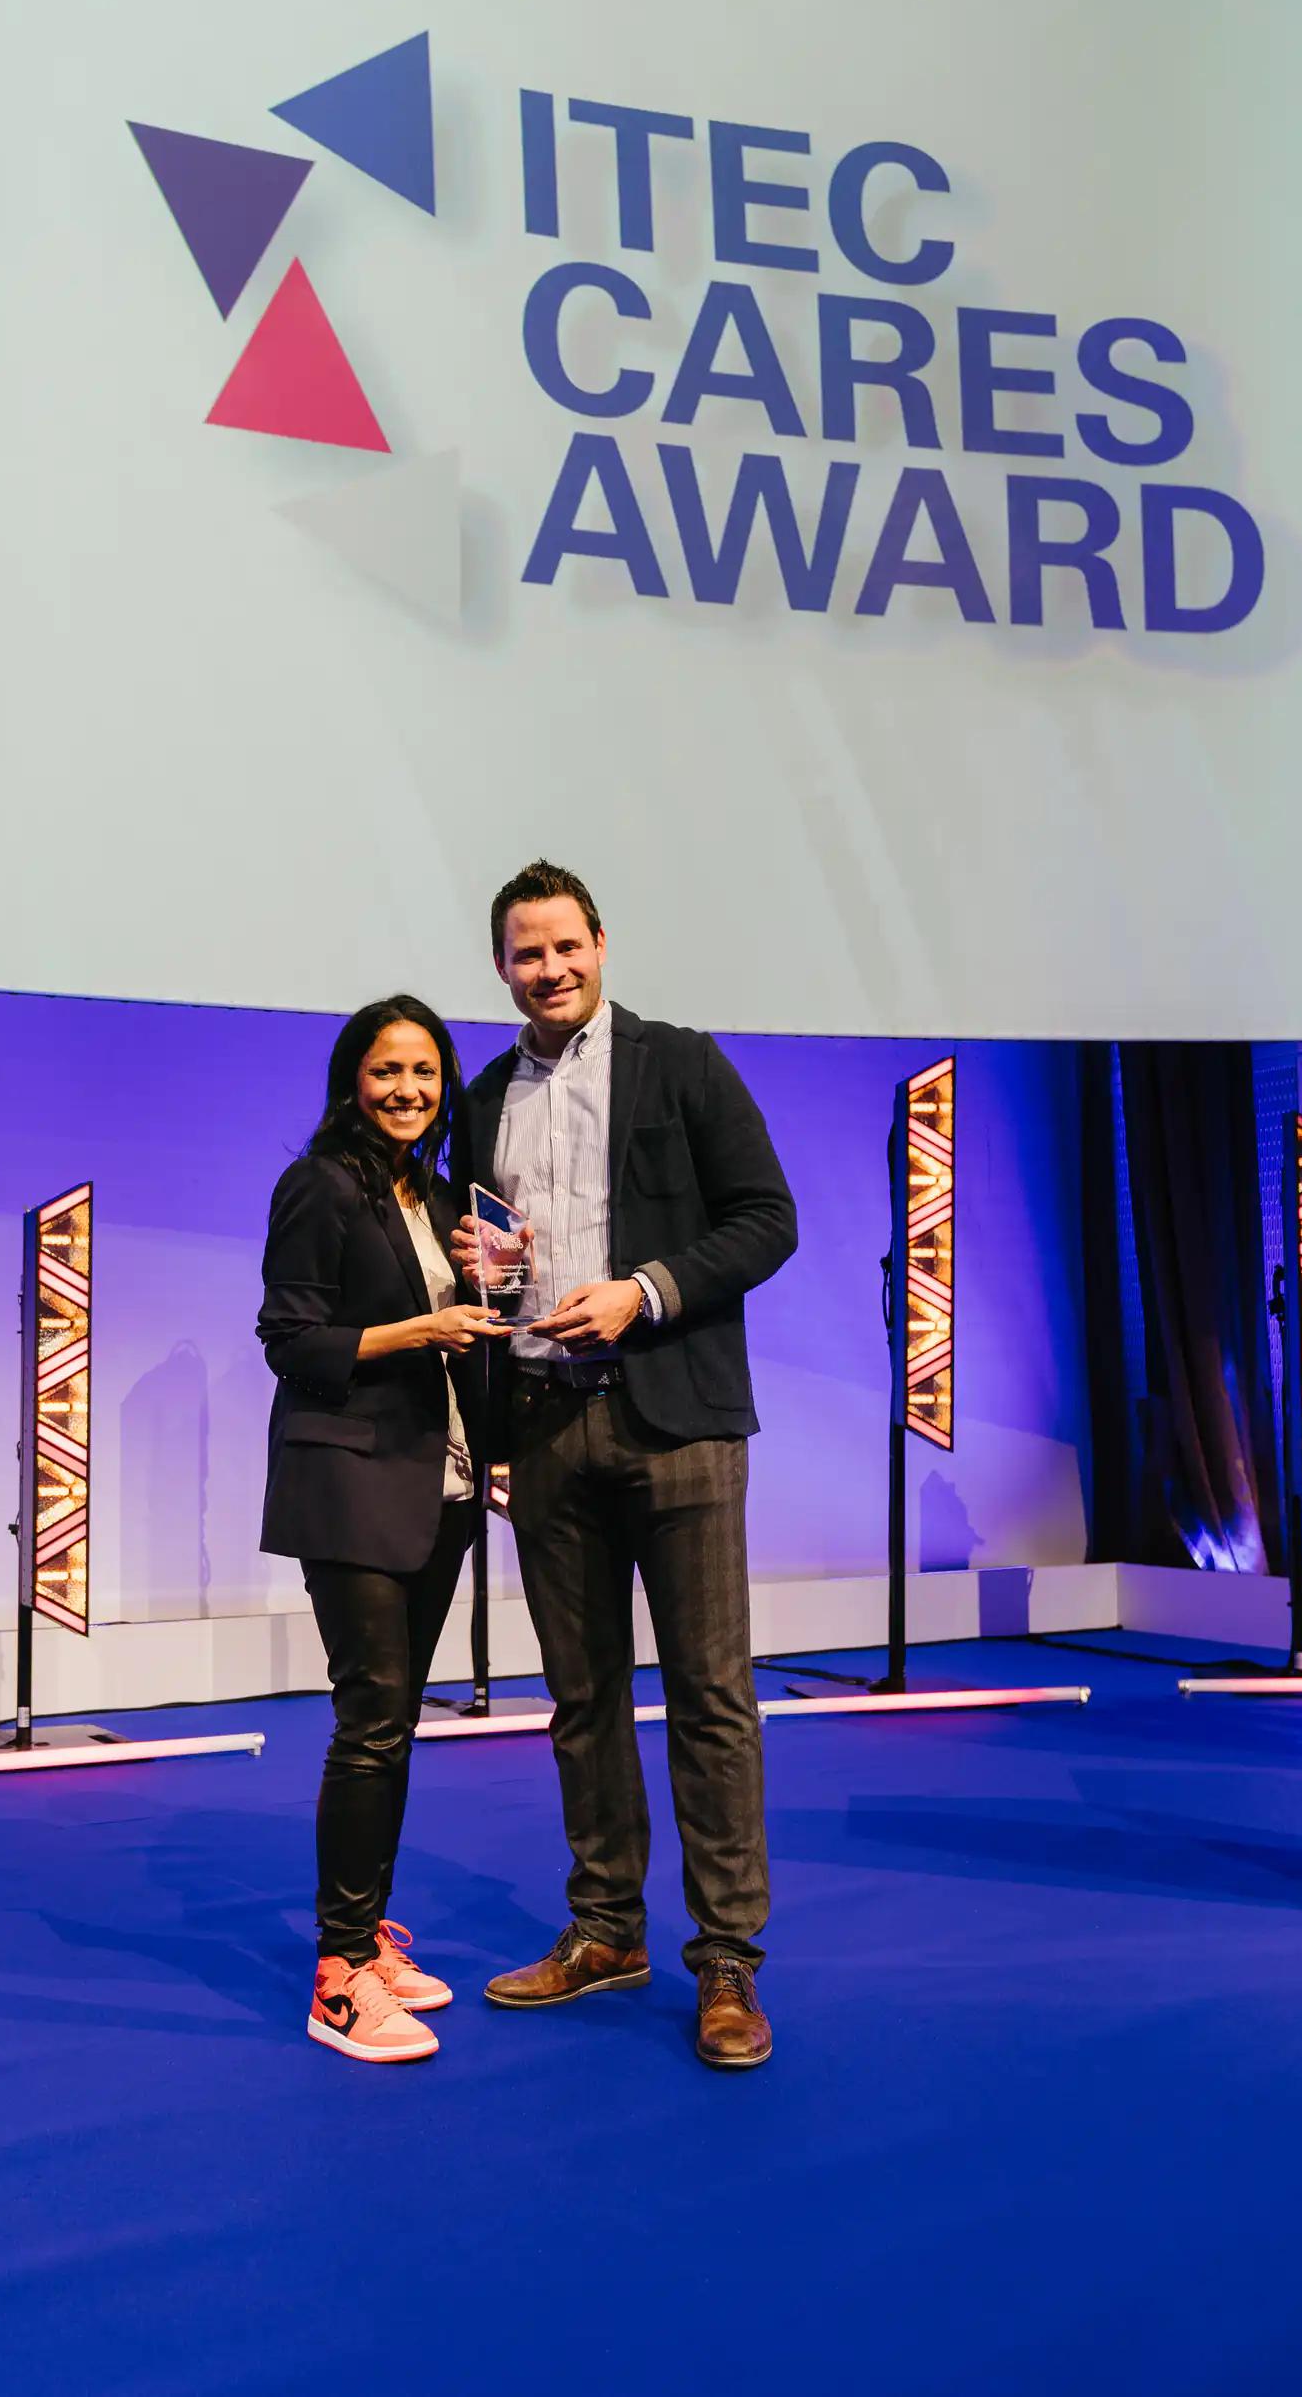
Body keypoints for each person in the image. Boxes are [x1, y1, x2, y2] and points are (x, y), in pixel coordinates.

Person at [453, 862, 797, 2070]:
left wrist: (646, 1293)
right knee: (582, 1698)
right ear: (500, 967)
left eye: (563, 946)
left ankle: (727, 1964)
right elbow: (487, 1260)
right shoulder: (485, 1090)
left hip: (680, 1422)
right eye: (523, 954)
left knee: (709, 1697)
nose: (547, 970)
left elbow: (766, 1217)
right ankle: (606, 1929)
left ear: (601, 943)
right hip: (546, 1425)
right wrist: (482, 1270)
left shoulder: (681, 1061)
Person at [258, 995, 510, 2064]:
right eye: (384, 1071)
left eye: (422, 1071)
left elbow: (473, 1337)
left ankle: (367, 1940)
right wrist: (423, 1325)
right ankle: (336, 1973)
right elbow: (289, 1337)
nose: (405, 1089)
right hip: (348, 1484)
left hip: (436, 1488)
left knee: (395, 1719)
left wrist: (495, 1284)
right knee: (369, 1718)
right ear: (350, 1081)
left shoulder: (439, 1194)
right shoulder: (318, 1184)